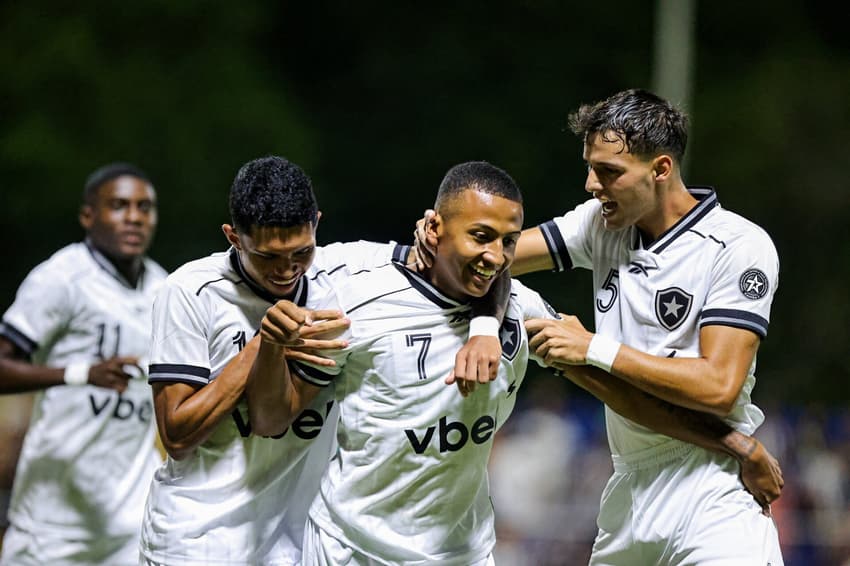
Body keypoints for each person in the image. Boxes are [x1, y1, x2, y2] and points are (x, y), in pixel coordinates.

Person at [242, 160, 781, 565]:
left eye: (506, 241)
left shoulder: (522, 312)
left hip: (463, 554)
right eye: (480, 237)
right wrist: (269, 345)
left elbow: (622, 393)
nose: (496, 256)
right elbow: (271, 418)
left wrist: (733, 443)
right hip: (348, 551)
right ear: (432, 229)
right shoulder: (355, 298)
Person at [140, 155, 493, 565]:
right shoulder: (190, 292)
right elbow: (177, 437)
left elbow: (488, 264)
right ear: (233, 237)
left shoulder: (350, 271)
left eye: (301, 253)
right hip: (200, 542)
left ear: (317, 224)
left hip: (301, 544)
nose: (286, 270)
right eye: (268, 257)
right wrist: (262, 346)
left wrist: (484, 326)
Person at [516, 89, 784, 564]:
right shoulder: (600, 226)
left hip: (711, 490)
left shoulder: (736, 246)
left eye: (609, 172)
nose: (591, 185)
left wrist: (593, 348)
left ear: (661, 170)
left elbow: (719, 386)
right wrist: (444, 237)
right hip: (627, 490)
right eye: (590, 166)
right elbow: (498, 258)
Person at [0, 163, 166, 565]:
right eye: (119, 205)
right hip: (52, 522)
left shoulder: (164, 286)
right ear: (88, 216)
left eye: (145, 207)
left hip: (131, 519)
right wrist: (81, 374)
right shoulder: (61, 278)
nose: (134, 217)